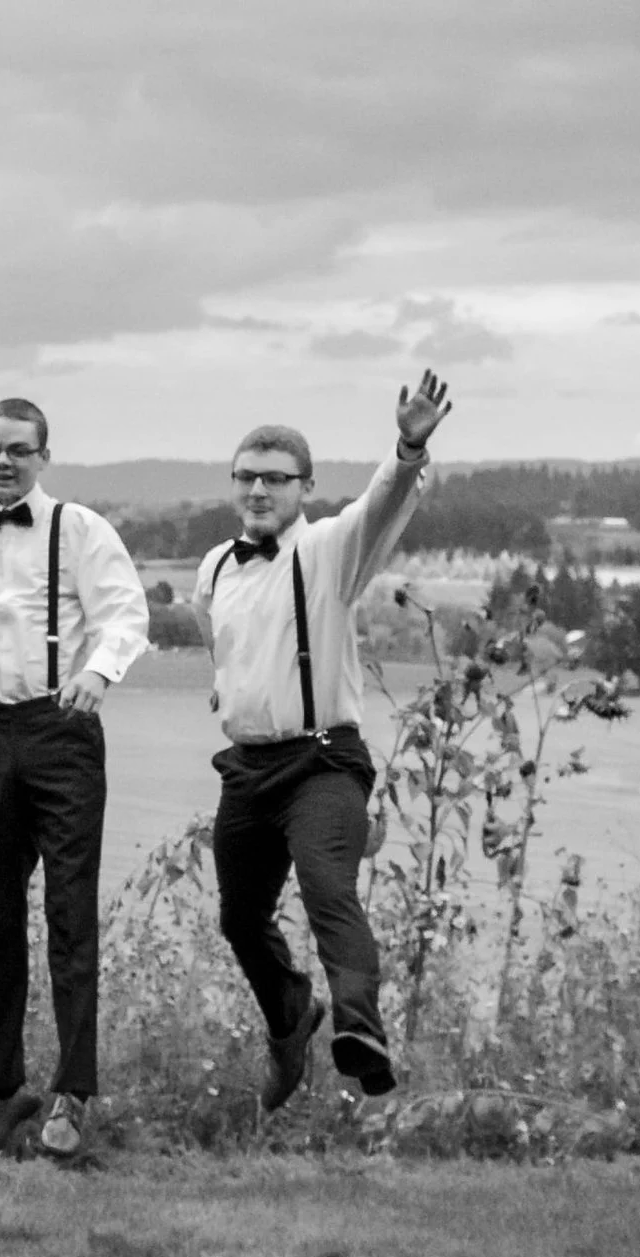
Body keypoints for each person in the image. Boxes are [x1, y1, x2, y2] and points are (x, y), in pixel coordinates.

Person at [193, 369, 453, 1114]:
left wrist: (407, 448)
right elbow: (221, 642)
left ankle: (360, 1031)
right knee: (240, 918)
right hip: (248, 769)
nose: (258, 490)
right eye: (247, 477)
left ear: (305, 487)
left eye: (276, 479)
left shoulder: (331, 549)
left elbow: (382, 506)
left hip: (322, 761)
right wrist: (230, 687)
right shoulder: (216, 566)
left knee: (327, 886)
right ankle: (290, 1013)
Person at [0, 397, 148, 1166]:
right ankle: (4, 1091)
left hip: (64, 732)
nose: (2, 461)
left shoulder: (80, 529)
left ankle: (73, 1092)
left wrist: (98, 673)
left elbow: (125, 614)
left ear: (43, 456)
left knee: (70, 913)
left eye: (17, 449)